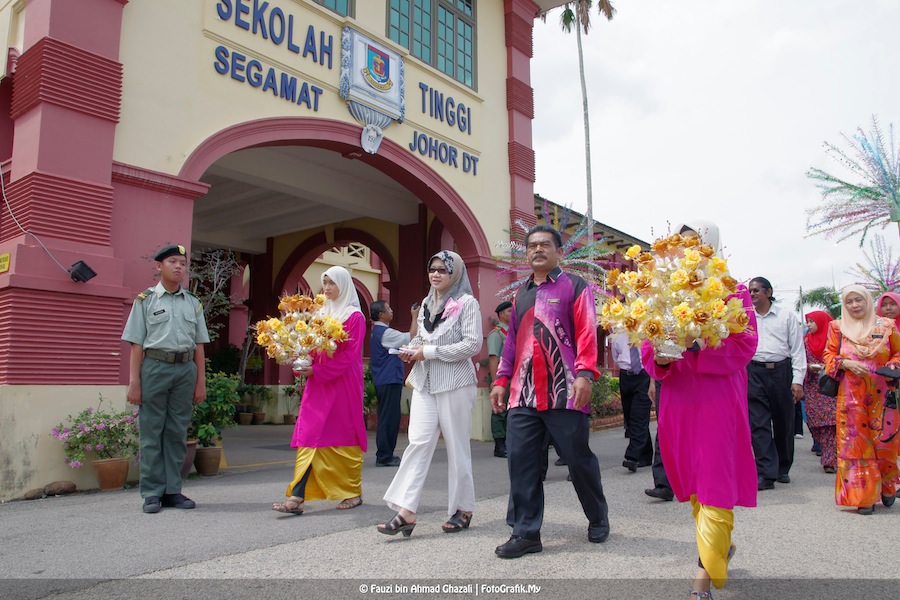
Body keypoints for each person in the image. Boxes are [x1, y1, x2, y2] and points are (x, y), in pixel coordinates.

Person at [642, 221, 758, 598]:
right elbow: (649, 346)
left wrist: (696, 345)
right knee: (694, 480)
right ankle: (718, 546)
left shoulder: (732, 290)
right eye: (681, 244)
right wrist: (659, 358)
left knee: (713, 480)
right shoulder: (662, 290)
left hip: (718, 398)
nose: (687, 251)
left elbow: (744, 346)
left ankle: (702, 581)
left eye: (696, 244)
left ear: (712, 247)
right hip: (677, 398)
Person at [490, 224, 610, 559]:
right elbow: (512, 342)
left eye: (545, 245)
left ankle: (597, 515)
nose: (537, 250)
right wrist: (501, 380)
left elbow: (587, 331)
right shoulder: (520, 295)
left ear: (558, 251)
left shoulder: (575, 286)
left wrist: (585, 373)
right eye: (532, 246)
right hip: (523, 393)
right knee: (522, 462)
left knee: (577, 459)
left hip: (564, 390)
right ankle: (526, 533)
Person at [377, 250, 482, 537]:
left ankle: (464, 507)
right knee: (418, 443)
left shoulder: (467, 303)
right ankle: (406, 510)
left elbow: (473, 345)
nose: (435, 274)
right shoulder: (426, 303)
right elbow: (422, 339)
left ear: (455, 274)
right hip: (425, 383)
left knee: (458, 447)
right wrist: (412, 351)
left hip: (456, 384)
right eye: (432, 269)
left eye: (442, 270)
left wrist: (429, 351)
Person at [272, 266, 367, 515]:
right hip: (318, 386)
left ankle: (352, 491)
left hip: (342, 385)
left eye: (331, 283)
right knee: (310, 435)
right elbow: (311, 348)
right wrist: (299, 359)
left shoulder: (354, 317)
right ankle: (297, 496)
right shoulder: (320, 314)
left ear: (344, 285)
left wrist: (318, 371)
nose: (326, 288)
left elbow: (349, 356)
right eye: (324, 283)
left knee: (341, 433)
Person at [122, 244, 210, 514]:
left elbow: (199, 345)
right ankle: (151, 492)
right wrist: (134, 382)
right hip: (155, 368)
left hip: (185, 371)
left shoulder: (193, 303)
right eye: (172, 261)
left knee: (176, 432)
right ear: (158, 266)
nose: (179, 267)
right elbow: (136, 344)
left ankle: (173, 490)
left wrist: (201, 382)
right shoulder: (145, 300)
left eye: (182, 263)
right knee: (151, 431)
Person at [824, 285, 900, 515]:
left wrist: (892, 365)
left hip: (883, 394)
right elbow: (828, 355)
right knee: (856, 444)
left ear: (868, 301)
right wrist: (844, 363)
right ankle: (863, 495)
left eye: (859, 300)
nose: (855, 305)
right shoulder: (837, 327)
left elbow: (898, 352)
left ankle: (887, 484)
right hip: (850, 396)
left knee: (884, 442)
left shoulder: (886, 326)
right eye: (849, 301)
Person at [747, 276, 807, 490]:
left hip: (781, 372)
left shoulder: (786, 315)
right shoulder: (745, 317)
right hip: (753, 371)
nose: (752, 294)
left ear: (769, 292)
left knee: (784, 422)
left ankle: (783, 466)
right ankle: (765, 472)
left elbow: (798, 350)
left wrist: (797, 380)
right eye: (750, 291)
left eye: (757, 290)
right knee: (758, 423)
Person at [369, 300, 417, 467]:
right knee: (389, 418)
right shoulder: (385, 332)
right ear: (381, 314)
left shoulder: (377, 331)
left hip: (383, 379)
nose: (391, 310)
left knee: (386, 417)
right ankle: (385, 456)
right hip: (388, 379)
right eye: (388, 308)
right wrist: (414, 316)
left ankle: (385, 454)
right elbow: (411, 337)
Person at [611, 331, 653, 472]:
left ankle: (632, 457)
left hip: (643, 375)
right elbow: (615, 356)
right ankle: (646, 455)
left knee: (639, 415)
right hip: (626, 376)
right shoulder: (618, 335)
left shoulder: (647, 331)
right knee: (630, 416)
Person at [802, 310, 837, 474]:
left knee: (830, 425)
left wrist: (829, 367)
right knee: (815, 423)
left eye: (811, 321)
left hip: (831, 387)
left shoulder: (835, 340)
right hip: (812, 386)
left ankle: (830, 460)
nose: (808, 325)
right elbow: (801, 360)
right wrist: (808, 368)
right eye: (807, 322)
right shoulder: (806, 341)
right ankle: (828, 452)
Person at [876, 291, 900, 498]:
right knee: (889, 438)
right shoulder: (876, 330)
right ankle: (889, 481)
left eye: (893, 304)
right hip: (887, 390)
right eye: (885, 305)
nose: (889, 309)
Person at [487, 301, 513, 458]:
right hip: (504, 379)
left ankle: (510, 442)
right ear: (501, 315)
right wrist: (495, 380)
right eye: (510, 311)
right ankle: (499, 445)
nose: (513, 314)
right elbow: (493, 358)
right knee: (500, 410)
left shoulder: (514, 332)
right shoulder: (497, 334)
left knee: (512, 411)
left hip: (516, 377)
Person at [644, 378, 674, 501]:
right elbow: (654, 358)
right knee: (664, 429)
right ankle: (663, 484)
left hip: (691, 378)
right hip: (664, 377)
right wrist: (652, 381)